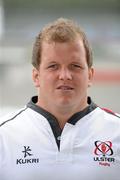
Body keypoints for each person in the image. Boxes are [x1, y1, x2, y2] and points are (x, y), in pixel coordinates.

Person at [0, 18, 120, 180]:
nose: (65, 76)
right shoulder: (4, 136)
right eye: (53, 66)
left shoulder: (116, 131)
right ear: (36, 76)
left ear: (90, 75)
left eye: (75, 66)